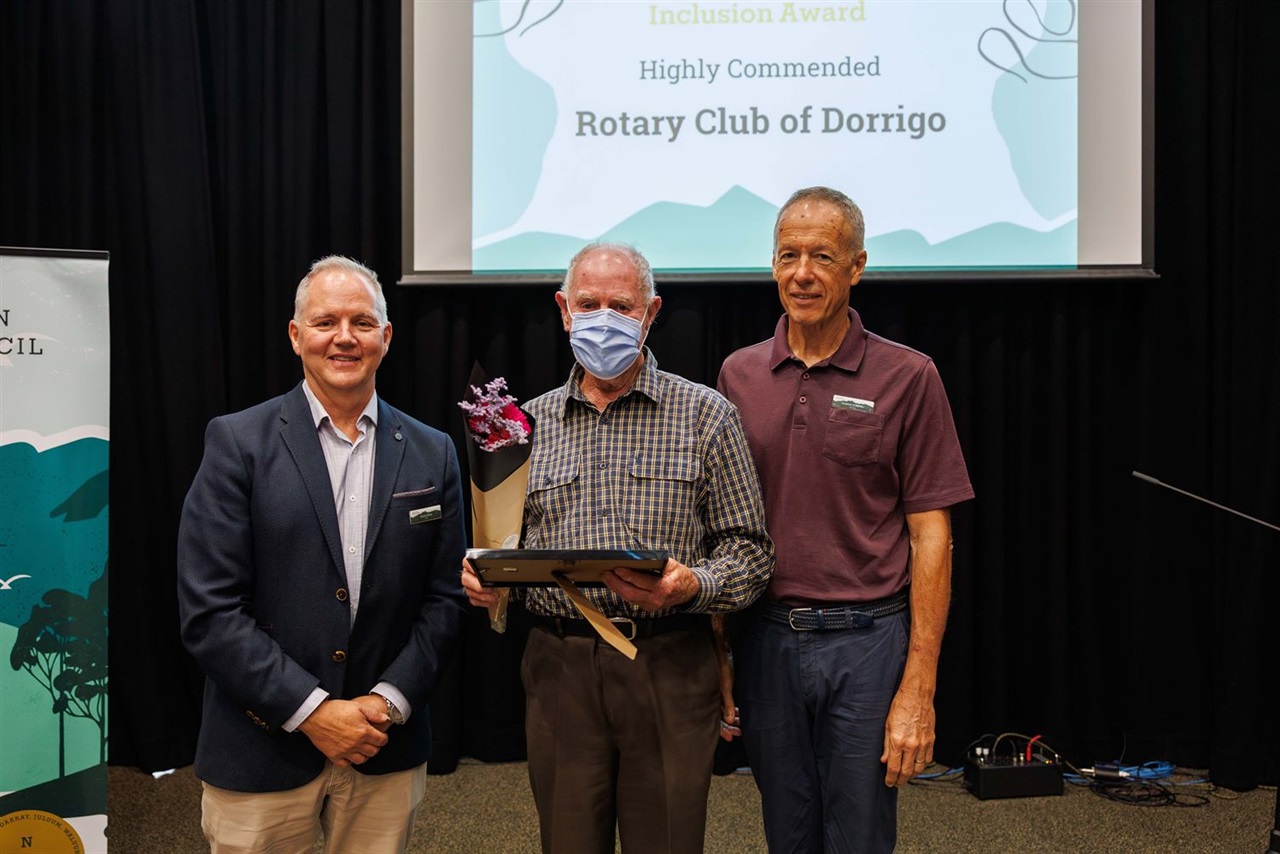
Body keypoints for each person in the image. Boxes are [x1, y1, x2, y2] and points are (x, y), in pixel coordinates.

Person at [461, 241, 774, 854]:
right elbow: (500, 550)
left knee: (667, 840)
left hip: (670, 662)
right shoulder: (522, 425)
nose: (603, 317)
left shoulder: (707, 416)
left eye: (621, 305)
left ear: (651, 313)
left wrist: (694, 585)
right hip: (559, 668)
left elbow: (751, 553)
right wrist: (485, 580)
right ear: (563, 309)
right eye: (588, 303)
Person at [177, 255, 468, 853]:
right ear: (295, 335)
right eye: (325, 321)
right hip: (262, 748)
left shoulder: (432, 452)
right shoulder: (236, 444)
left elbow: (446, 599)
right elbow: (210, 612)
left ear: (386, 338)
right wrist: (312, 713)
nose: (343, 337)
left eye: (362, 322)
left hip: (383, 747)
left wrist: (386, 704)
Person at [717, 187, 975, 853]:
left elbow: (931, 534)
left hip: (868, 643)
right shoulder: (738, 375)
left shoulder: (908, 376)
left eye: (822, 257)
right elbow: (719, 525)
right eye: (788, 255)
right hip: (766, 641)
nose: (802, 272)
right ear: (772, 266)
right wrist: (718, 652)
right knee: (787, 831)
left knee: (859, 834)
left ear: (856, 267)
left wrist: (919, 684)